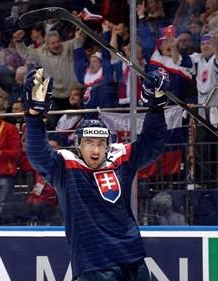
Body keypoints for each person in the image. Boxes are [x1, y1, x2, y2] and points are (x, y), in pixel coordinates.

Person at [23, 68, 168, 281]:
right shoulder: (65, 166)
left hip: (133, 259)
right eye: (89, 143)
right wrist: (34, 117)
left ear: (108, 145)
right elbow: (37, 154)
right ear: (78, 145)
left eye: (101, 144)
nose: (96, 150)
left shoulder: (120, 158)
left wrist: (155, 108)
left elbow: (151, 145)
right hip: (93, 264)